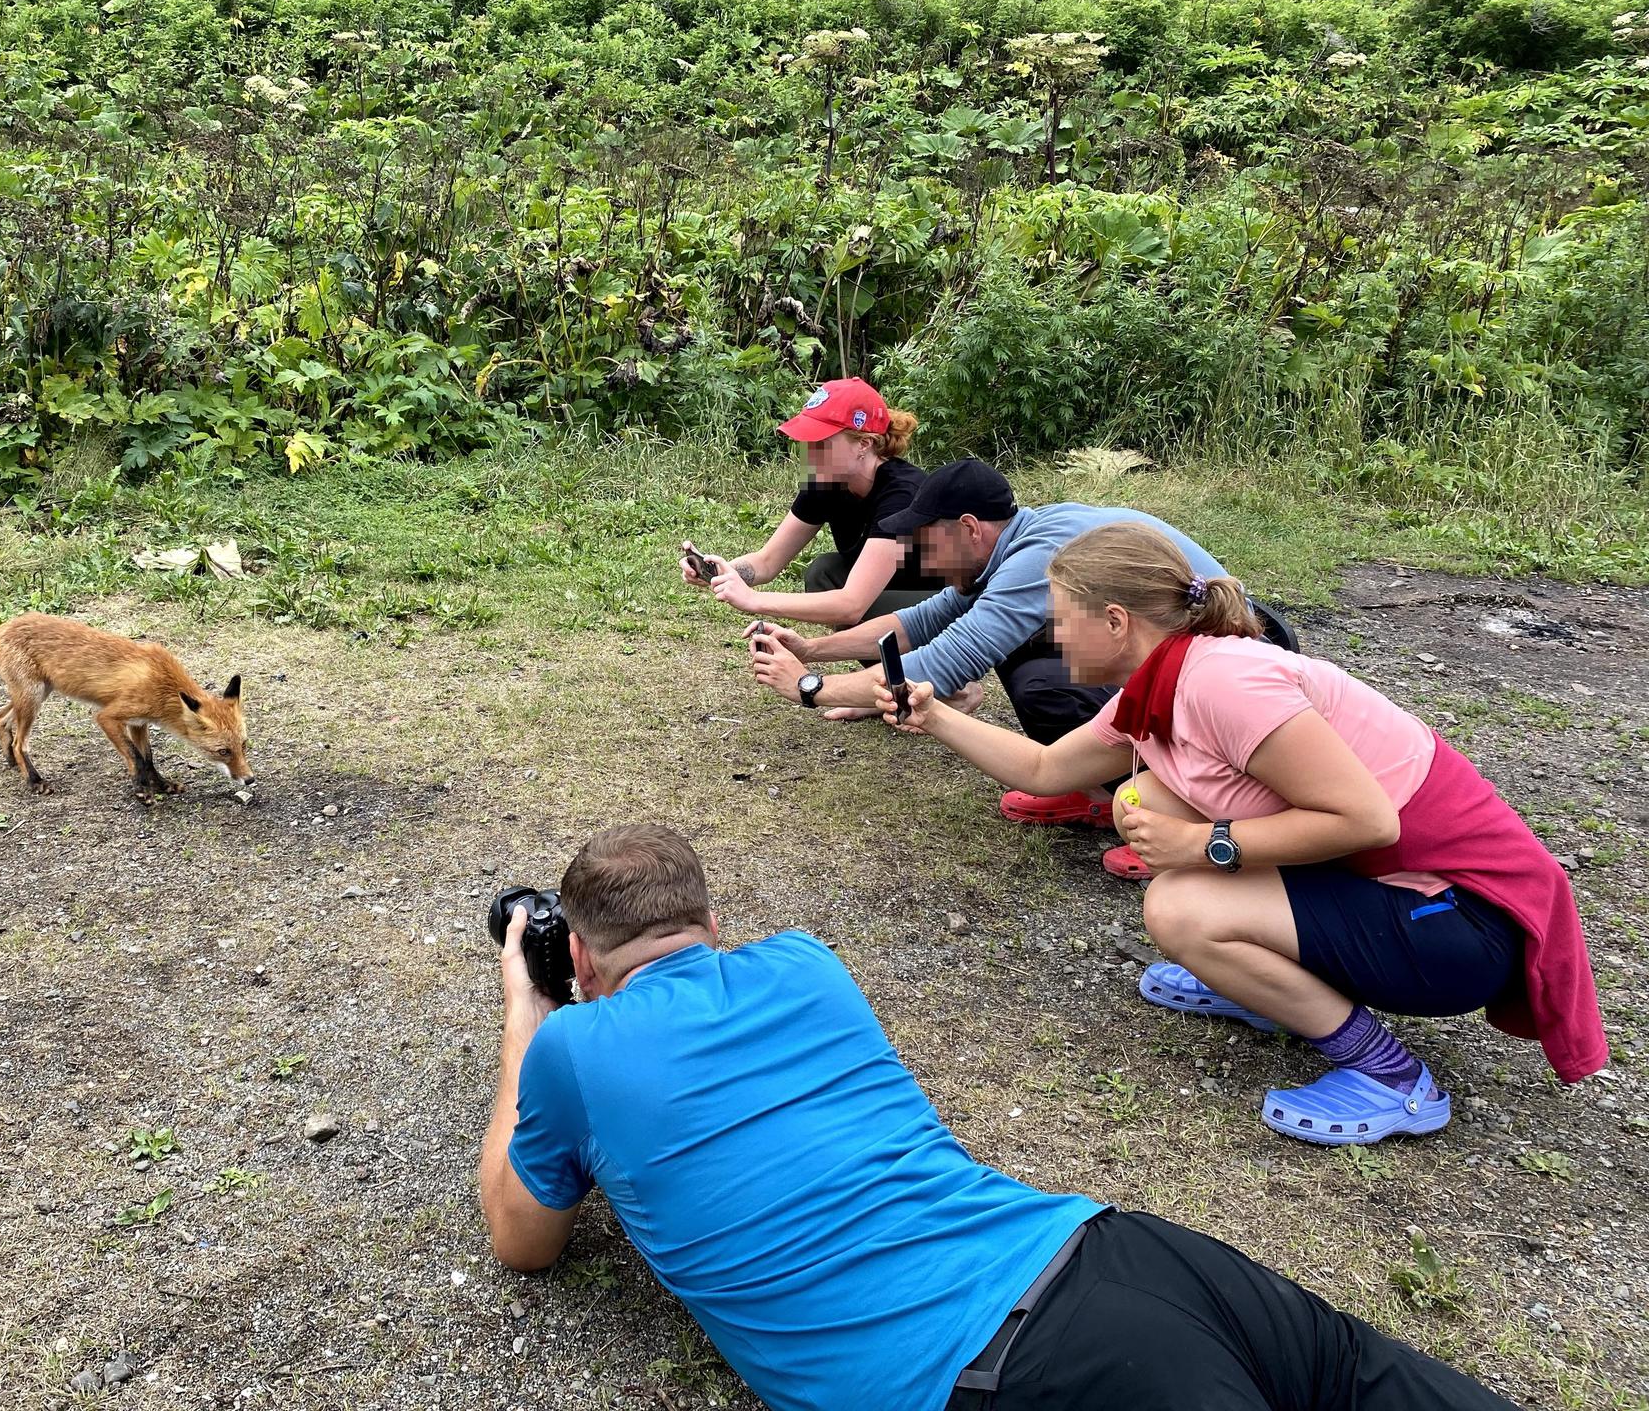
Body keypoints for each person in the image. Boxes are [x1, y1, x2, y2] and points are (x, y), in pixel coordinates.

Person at [479, 824, 1527, 1409]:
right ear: (716, 926)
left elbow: (522, 1241)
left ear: (580, 955)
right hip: (1111, 1254)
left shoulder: (570, 1049)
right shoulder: (801, 963)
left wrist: (527, 1006)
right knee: (1364, 1381)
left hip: (1003, 1373)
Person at [875, 523, 1607, 1146]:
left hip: (1468, 927)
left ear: (1117, 622)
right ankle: (1263, 986)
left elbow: (1366, 821)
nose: (1051, 633)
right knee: (1149, 791)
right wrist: (936, 715)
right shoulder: (1165, 683)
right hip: (1399, 893)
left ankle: (1392, 1077)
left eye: (1063, 616)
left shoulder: (1225, 683)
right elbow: (1043, 767)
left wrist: (1203, 846)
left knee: (1180, 907)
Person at [748, 457, 1243, 879]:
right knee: (1033, 660)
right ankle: (1088, 789)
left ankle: (1173, 809)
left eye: (926, 540)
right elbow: (921, 620)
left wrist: (809, 688)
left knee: (1045, 681)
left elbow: (940, 664)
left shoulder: (1037, 555)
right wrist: (812, 648)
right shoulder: (1015, 540)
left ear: (968, 528)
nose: (919, 555)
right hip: (1174, 661)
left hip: (1222, 679)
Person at [681, 377, 943, 628]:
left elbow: (852, 604)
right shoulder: (828, 481)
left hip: (949, 602)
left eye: (822, 443)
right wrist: (719, 573)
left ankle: (901, 671)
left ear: (864, 443)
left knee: (854, 603)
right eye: (807, 442)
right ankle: (879, 670)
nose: (810, 452)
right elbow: (767, 561)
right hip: (888, 590)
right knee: (824, 572)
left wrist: (754, 600)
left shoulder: (902, 493)